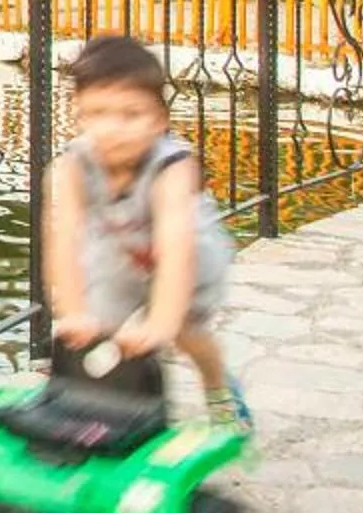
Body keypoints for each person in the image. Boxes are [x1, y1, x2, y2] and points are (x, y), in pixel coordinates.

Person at [40, 34, 251, 428]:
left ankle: (218, 385)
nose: (114, 129)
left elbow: (176, 251)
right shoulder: (70, 168)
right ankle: (110, 416)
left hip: (190, 254)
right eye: (99, 113)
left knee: (188, 333)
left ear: (159, 119)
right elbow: (63, 242)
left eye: (131, 114)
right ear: (79, 114)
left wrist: (162, 323)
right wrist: (72, 312)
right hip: (122, 250)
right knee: (99, 328)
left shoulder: (172, 169)